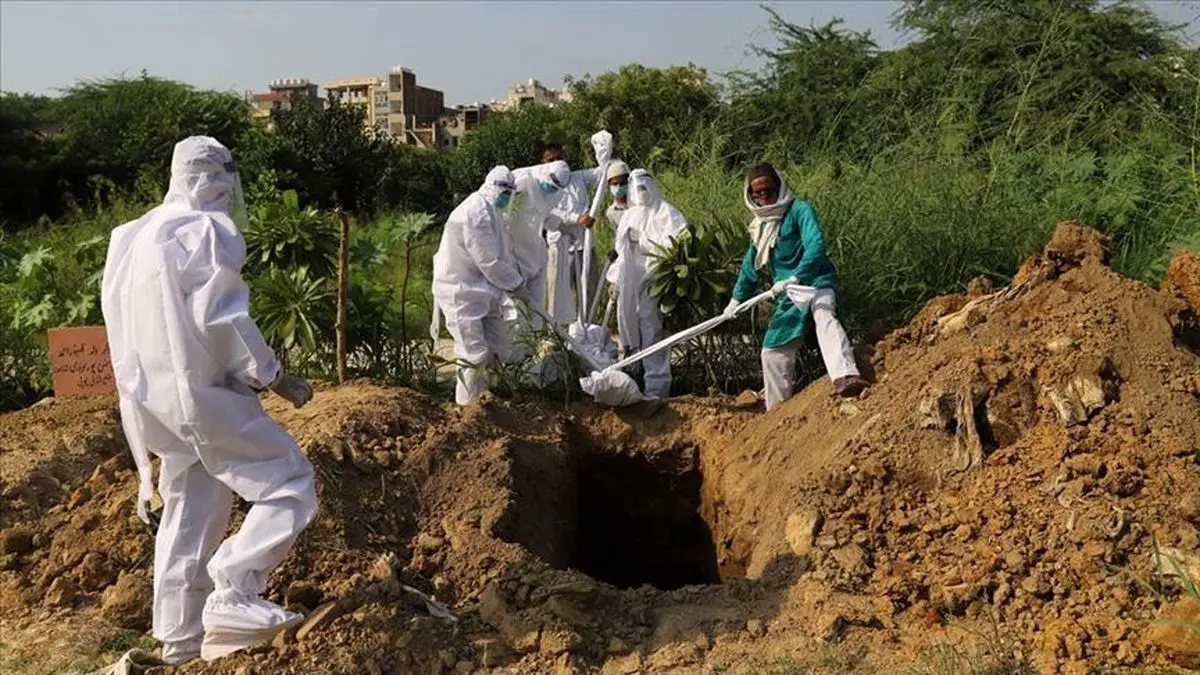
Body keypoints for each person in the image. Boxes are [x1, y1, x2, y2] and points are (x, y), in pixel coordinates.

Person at [100, 136, 318, 664]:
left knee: (192, 507)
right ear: (213, 178)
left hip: (153, 403)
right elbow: (221, 317)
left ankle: (179, 639)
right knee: (289, 484)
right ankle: (234, 592)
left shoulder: (134, 236)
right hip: (203, 398)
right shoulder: (204, 229)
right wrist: (272, 375)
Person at [723, 162, 868, 410]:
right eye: (756, 194)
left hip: (816, 281)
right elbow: (750, 267)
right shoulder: (760, 226)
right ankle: (776, 409)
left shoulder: (800, 210)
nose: (763, 197)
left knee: (824, 315)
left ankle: (846, 376)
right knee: (771, 351)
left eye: (767, 191)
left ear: (778, 187)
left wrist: (797, 275)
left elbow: (816, 245)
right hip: (789, 295)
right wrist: (736, 301)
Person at [430, 166, 528, 405]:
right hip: (460, 290)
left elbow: (499, 255)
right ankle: (468, 411)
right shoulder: (476, 212)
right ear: (490, 186)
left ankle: (489, 402)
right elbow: (489, 261)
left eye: (509, 192)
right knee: (472, 354)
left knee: (497, 348)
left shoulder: (490, 210)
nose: (506, 196)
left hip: (482, 289)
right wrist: (516, 284)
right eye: (503, 191)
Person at [613, 169, 687, 399]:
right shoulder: (629, 215)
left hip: (654, 278)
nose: (640, 193)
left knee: (652, 329)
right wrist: (615, 279)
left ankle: (657, 389)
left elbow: (676, 241)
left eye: (644, 188)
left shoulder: (666, 212)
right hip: (629, 279)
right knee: (627, 328)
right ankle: (632, 382)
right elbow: (621, 250)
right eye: (637, 189)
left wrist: (644, 240)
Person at [542, 140, 611, 324]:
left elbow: (603, 175)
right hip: (560, 248)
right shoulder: (542, 185)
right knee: (558, 295)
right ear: (543, 163)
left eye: (559, 158)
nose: (556, 162)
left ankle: (586, 332)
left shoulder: (577, 177)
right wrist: (575, 218)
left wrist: (603, 151)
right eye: (551, 159)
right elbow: (546, 212)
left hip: (584, 245)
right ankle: (558, 338)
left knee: (588, 293)